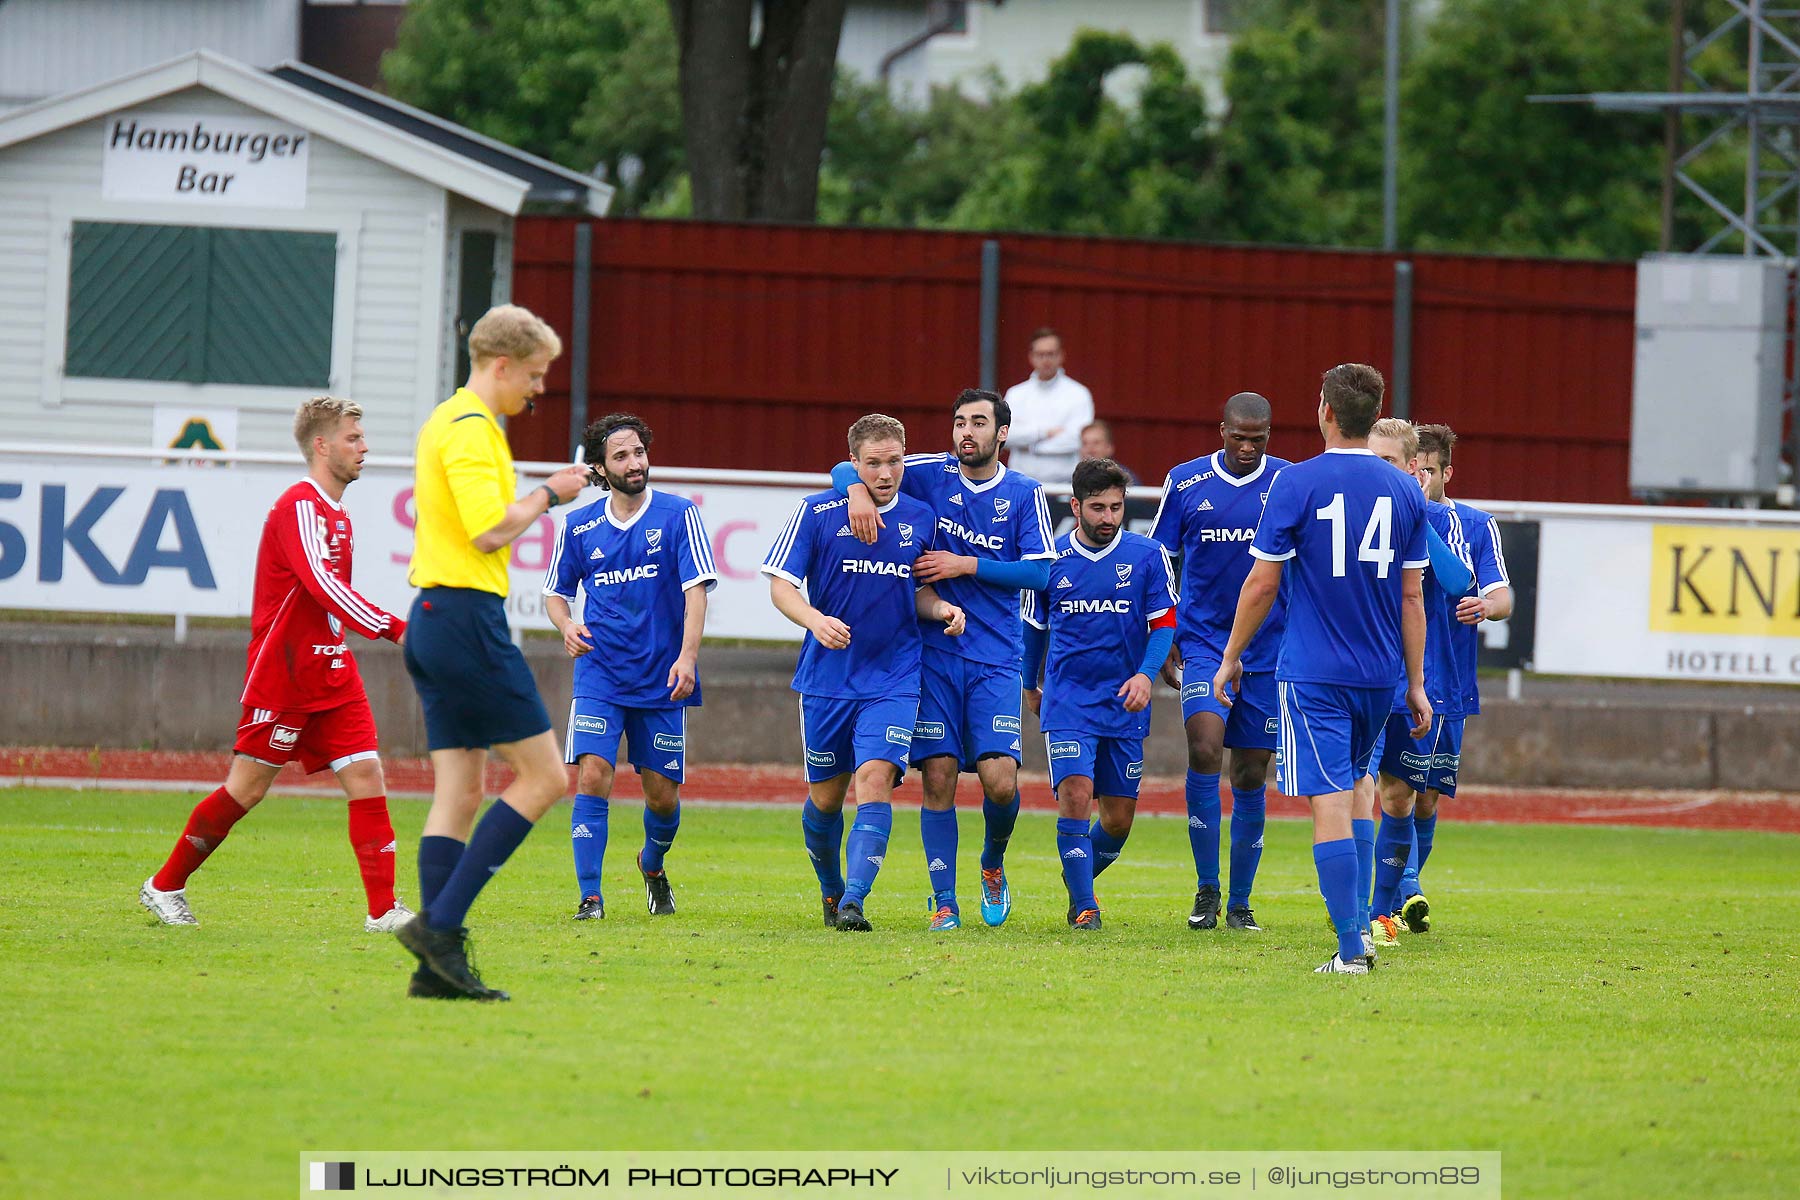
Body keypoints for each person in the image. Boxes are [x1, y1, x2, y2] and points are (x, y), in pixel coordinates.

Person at [139, 396, 409, 931]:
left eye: (363, 436)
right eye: (353, 438)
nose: (365, 447)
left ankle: (383, 911)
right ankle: (164, 885)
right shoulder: (299, 505)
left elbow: (331, 596)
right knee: (247, 789)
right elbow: (323, 584)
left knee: (365, 773)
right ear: (321, 445)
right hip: (284, 674)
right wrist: (397, 628)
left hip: (332, 670)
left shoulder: (338, 513)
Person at [394, 305, 593, 1001]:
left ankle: (435, 972)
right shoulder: (476, 429)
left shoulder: (444, 418)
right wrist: (550, 492)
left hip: (431, 617)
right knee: (545, 778)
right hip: (467, 619)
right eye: (534, 376)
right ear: (501, 366)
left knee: (460, 792)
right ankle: (439, 927)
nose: (537, 392)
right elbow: (486, 531)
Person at [1212, 363, 1430, 975]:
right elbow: (1412, 597)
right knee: (1359, 791)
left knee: (1330, 801)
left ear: (1325, 412)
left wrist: (1230, 658)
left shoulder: (1297, 483)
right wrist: (1414, 683)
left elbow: (1261, 582)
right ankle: (1358, 929)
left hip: (1313, 673)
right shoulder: (1407, 491)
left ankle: (1352, 950)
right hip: (1380, 674)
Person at [832, 389, 1056, 930]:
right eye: (959, 422)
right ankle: (943, 901)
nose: (966, 433)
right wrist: (858, 494)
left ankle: (993, 862)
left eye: (978, 423)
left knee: (1001, 781)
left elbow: (1040, 573)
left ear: (1002, 434)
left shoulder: (1025, 494)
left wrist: (965, 564)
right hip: (931, 654)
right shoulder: (931, 473)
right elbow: (847, 465)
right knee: (939, 775)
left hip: (997, 657)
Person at [764, 414, 966, 933]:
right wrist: (815, 619)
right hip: (827, 679)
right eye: (872, 463)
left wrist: (941, 609)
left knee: (874, 780)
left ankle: (855, 899)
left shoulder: (921, 517)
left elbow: (915, 588)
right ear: (853, 464)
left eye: (894, 461)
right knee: (826, 799)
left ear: (905, 457)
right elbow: (781, 586)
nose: (885, 473)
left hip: (894, 677)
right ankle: (832, 890)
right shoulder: (815, 511)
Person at [544, 413, 716, 921]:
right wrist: (566, 626)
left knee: (661, 798)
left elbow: (695, 594)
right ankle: (590, 897)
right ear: (600, 467)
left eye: (639, 452)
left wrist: (687, 658)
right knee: (593, 774)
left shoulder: (678, 514)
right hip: (600, 674)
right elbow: (556, 594)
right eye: (621, 455)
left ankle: (653, 863)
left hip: (662, 677)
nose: (635, 462)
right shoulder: (579, 526)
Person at [1149, 392, 1291, 933]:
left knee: (1252, 770)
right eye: (1239, 436)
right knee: (1206, 747)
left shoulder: (1288, 483)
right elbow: (1159, 558)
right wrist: (1164, 636)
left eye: (1259, 438)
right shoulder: (1185, 483)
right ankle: (1207, 888)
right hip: (1204, 642)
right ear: (1221, 430)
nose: (1249, 447)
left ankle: (1240, 902)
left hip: (1268, 647)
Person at [1022, 459, 1179, 931]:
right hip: (1069, 699)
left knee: (1118, 818)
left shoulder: (1149, 557)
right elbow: (1035, 628)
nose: (1108, 517)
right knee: (1075, 794)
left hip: (1125, 700)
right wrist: (1030, 685)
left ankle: (1077, 879)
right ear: (1076, 507)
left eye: (1115, 507)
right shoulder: (1050, 561)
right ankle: (1086, 907)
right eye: (1097, 508)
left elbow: (1164, 625)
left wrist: (1146, 676)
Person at [1394, 423, 1513, 932]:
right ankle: (1404, 891)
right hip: (1392, 676)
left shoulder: (1476, 524)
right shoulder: (1385, 516)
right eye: (1411, 469)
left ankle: (1404, 890)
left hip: (1449, 681)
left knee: (1427, 794)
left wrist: (1487, 605)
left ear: (1446, 472)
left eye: (1428, 470)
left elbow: (1486, 590)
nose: (1418, 478)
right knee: (1393, 788)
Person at [1363, 419, 1473, 949]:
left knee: (1405, 796)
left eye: (1391, 464)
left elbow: (1456, 583)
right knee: (1360, 791)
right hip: (1352, 674)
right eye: (1373, 459)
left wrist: (1416, 513)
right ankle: (1359, 909)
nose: (1378, 471)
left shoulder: (1423, 520)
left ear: (1413, 471)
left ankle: (1382, 908)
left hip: (1413, 678)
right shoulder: (1348, 510)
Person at [1002, 327, 1094, 484]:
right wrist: (1043, 433)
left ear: (1061, 356)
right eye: (1040, 354)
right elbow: (1005, 436)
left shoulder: (1078, 394)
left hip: (1063, 485)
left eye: (1051, 354)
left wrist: (1031, 447)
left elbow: (1076, 439)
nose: (1046, 360)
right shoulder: (1016, 394)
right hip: (1020, 484)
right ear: (1031, 357)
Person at [1078, 420, 1140, 486]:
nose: (1089, 449)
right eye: (1085, 443)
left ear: (1109, 448)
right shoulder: (1073, 478)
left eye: (1096, 443)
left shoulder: (1125, 480)